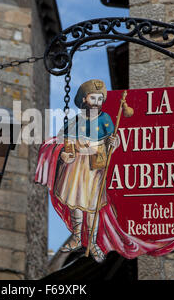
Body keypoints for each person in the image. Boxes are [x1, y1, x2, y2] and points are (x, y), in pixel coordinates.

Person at [53, 79, 119, 262]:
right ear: (84, 100)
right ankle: (76, 236)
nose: (97, 102)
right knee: (75, 202)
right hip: (76, 167)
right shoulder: (76, 120)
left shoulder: (105, 119)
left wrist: (114, 142)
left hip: (94, 166)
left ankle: (92, 241)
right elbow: (64, 139)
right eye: (93, 97)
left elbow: (113, 138)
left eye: (100, 98)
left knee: (91, 206)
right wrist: (65, 153)